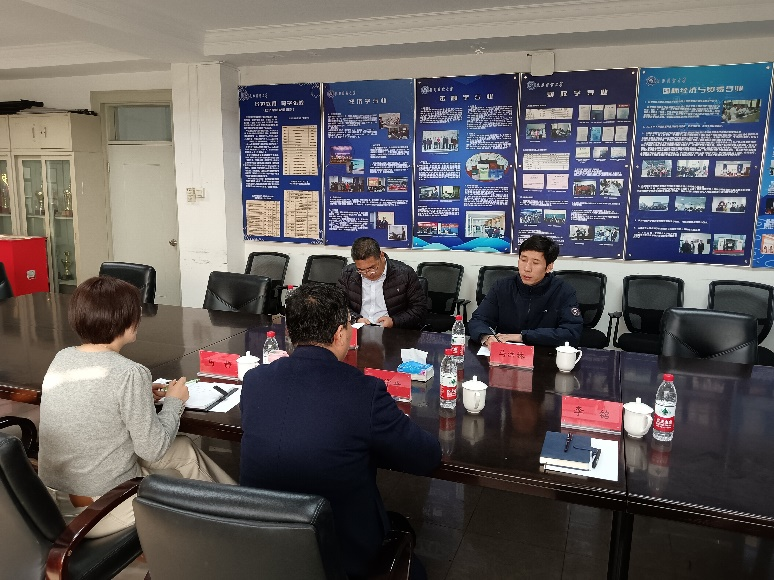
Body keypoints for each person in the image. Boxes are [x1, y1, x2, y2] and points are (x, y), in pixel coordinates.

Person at [240, 283, 441, 579]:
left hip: (265, 545)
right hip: (341, 557)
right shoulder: (363, 391)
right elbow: (426, 457)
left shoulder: (255, 380)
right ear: (339, 334)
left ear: (290, 333)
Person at [38, 276, 235, 538]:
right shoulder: (130, 373)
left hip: (52, 503)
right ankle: (240, 520)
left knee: (184, 448)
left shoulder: (63, 357)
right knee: (181, 484)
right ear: (124, 319)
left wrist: (140, 395)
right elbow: (152, 449)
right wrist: (174, 401)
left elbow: (97, 402)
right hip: (100, 509)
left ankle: (239, 509)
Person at [468, 235, 583, 347]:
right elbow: (478, 320)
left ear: (549, 267)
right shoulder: (502, 287)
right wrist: (486, 337)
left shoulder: (563, 291)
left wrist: (523, 337)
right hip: (505, 352)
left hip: (544, 353)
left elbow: (571, 333)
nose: (527, 268)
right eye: (523, 260)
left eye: (535, 263)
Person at [338, 236, 426, 329]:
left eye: (372, 268)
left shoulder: (405, 274)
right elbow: (339, 305)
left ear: (381, 255)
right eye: (361, 270)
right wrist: (356, 319)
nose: (368, 274)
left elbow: (419, 309)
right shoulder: (348, 273)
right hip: (359, 328)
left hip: (393, 331)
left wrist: (394, 321)